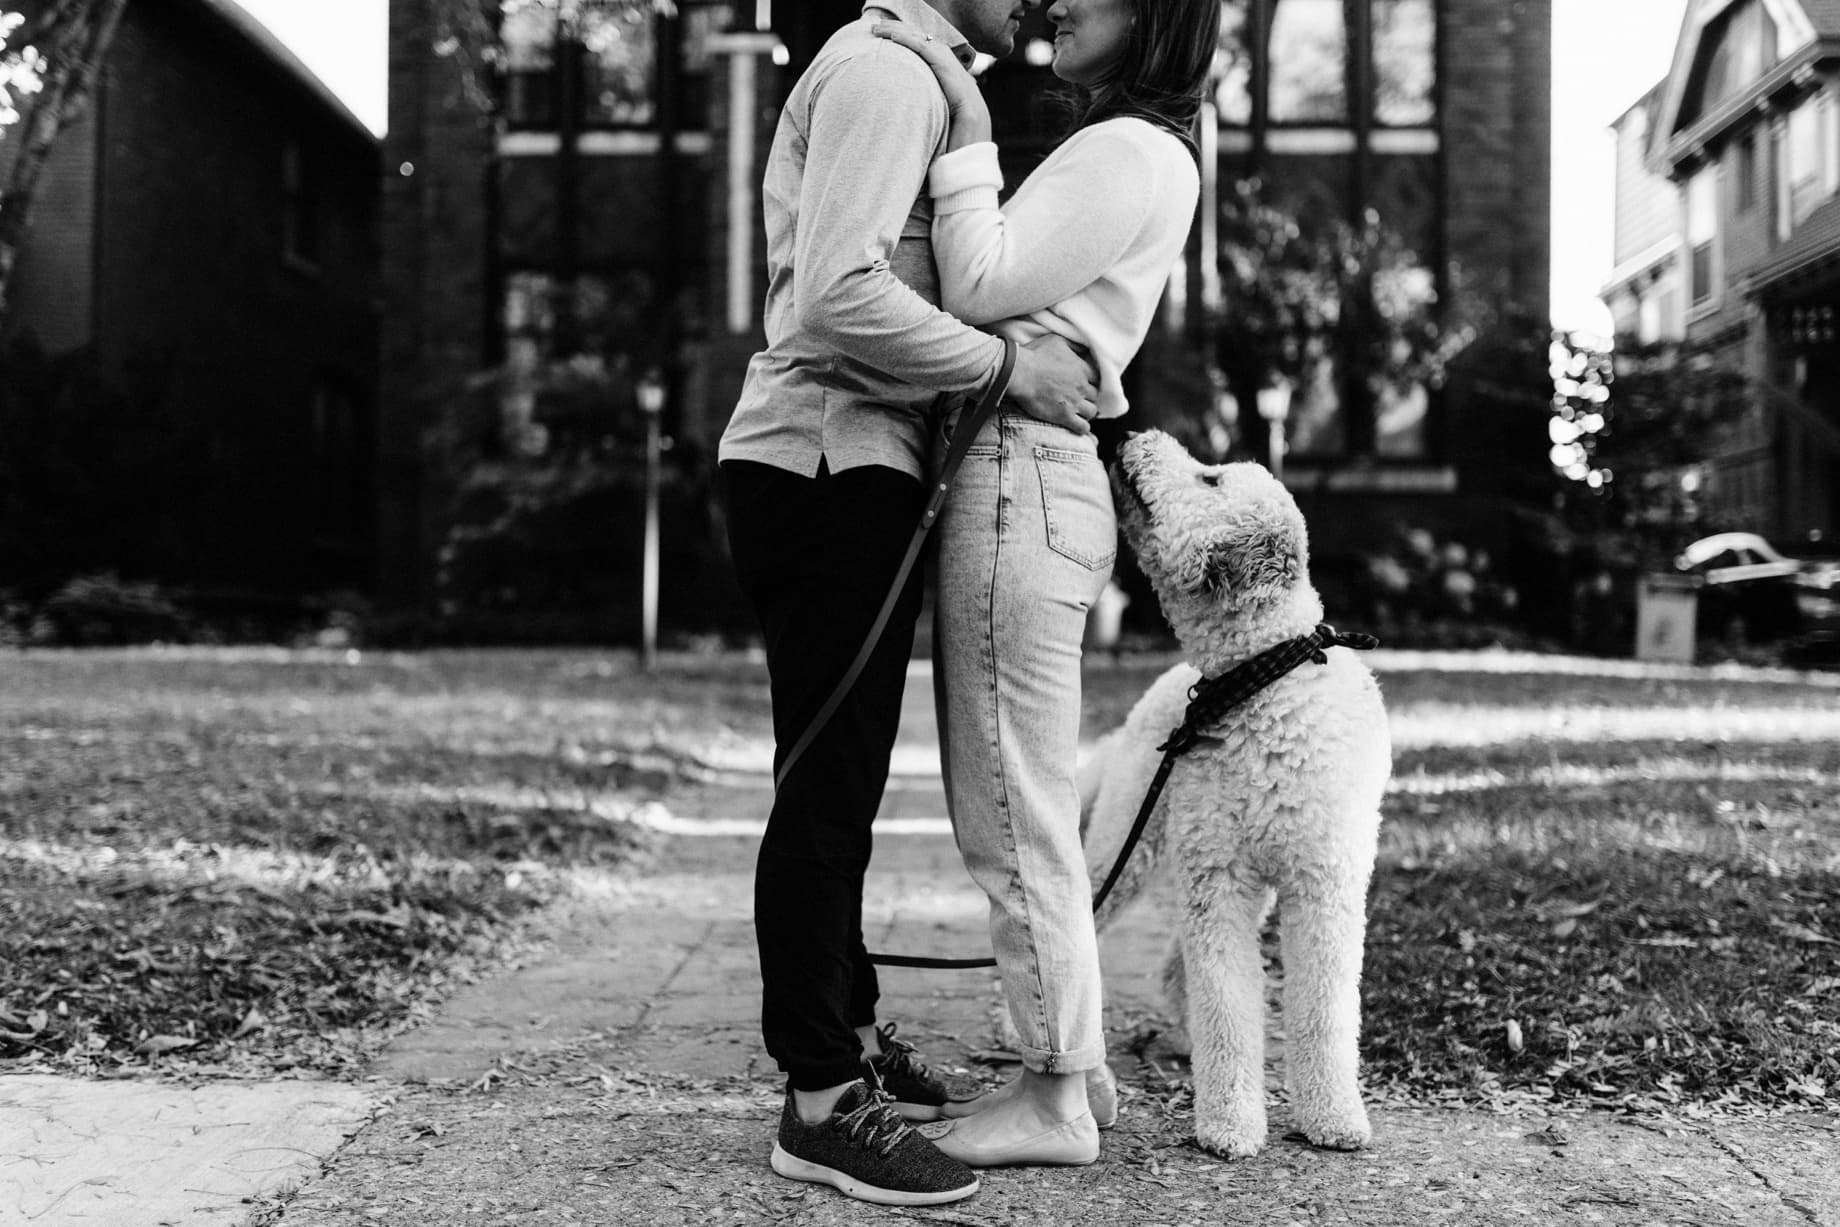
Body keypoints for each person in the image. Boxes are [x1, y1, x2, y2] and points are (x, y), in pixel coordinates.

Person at [716, 0, 1102, 1208]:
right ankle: (820, 1103)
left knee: (842, 778)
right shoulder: (891, 75)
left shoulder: (919, 75)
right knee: (826, 788)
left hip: (843, 463)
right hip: (824, 458)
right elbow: (835, 295)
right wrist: (1007, 367)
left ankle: (850, 1040)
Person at [870, 0, 1220, 1169]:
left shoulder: (1122, 149)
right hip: (1035, 477)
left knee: (1009, 807)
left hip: (1021, 480)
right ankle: (1079, 1068)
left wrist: (963, 120)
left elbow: (975, 286)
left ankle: (1056, 1094)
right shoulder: (1144, 148)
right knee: (1027, 794)